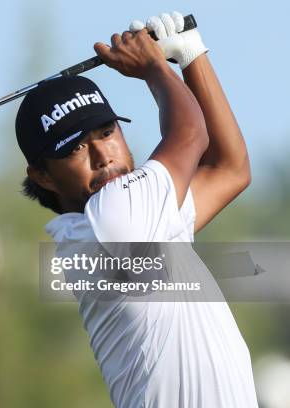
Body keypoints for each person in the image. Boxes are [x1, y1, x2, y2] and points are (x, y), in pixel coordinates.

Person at [14, 11, 258, 408]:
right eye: (74, 148)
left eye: (107, 133)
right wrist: (155, 66)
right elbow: (191, 134)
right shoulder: (115, 217)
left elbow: (229, 170)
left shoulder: (139, 219)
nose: (102, 157)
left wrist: (191, 54)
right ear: (41, 175)